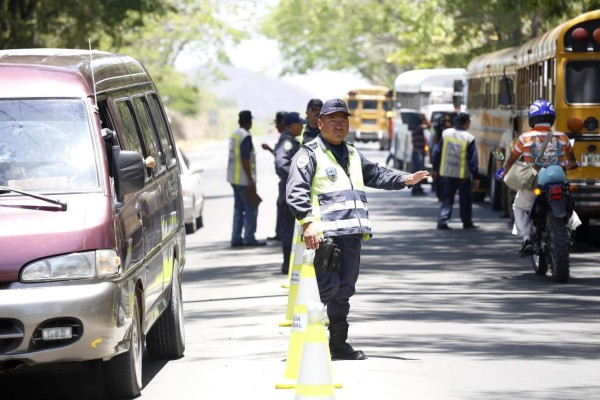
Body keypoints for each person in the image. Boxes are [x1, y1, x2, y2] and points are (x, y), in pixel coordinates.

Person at [286, 98, 429, 360]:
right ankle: (307, 341)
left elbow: (376, 174)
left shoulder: (352, 152)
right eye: (333, 121)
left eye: (343, 121)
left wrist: (404, 179)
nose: (339, 126)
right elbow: (296, 191)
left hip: (351, 235)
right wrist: (307, 223)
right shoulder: (308, 154)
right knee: (323, 289)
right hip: (324, 237)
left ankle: (338, 344)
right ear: (320, 123)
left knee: (344, 290)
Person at [500, 99, 578, 256]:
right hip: (557, 179)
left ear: (532, 119)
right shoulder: (562, 137)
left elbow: (512, 159)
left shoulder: (524, 138)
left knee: (519, 207)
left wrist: (504, 170)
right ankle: (569, 233)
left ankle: (527, 239)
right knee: (569, 204)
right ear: (552, 119)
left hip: (535, 182)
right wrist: (571, 164)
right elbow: (572, 159)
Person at [431, 112, 480, 230]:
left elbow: (437, 152)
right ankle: (466, 222)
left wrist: (434, 168)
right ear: (466, 123)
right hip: (462, 175)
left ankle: (442, 221)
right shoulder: (469, 137)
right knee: (465, 200)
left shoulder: (446, 133)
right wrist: (476, 176)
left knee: (447, 198)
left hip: (447, 173)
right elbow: (473, 160)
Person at [226, 110, 265, 247]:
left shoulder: (234, 134)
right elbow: (244, 158)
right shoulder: (245, 136)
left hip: (233, 178)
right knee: (250, 208)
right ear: (249, 122)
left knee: (238, 208)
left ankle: (236, 238)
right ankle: (249, 238)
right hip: (243, 180)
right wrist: (250, 180)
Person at [274, 112, 304, 273]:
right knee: (288, 228)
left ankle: (295, 264)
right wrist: (297, 177)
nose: (302, 127)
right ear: (292, 126)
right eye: (300, 124)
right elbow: (281, 163)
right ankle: (287, 264)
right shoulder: (287, 142)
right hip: (289, 192)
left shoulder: (291, 141)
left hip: (292, 190)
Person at [264, 111, 288, 241]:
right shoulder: (284, 137)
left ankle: (283, 234)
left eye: (277, 123)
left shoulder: (286, 138)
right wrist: (269, 149)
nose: (276, 127)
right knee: (281, 205)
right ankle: (280, 233)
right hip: (284, 179)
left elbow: (282, 161)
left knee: (283, 205)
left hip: (286, 179)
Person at [410, 116, 429, 196]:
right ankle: (416, 189)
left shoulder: (415, 127)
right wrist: (425, 117)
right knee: (418, 171)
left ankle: (418, 188)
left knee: (418, 170)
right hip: (418, 152)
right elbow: (429, 126)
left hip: (418, 152)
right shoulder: (418, 127)